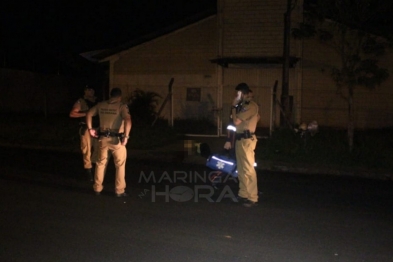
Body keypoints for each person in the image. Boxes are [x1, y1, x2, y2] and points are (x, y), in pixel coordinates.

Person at [86, 87, 132, 197]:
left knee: (100, 164)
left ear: (110, 96)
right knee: (120, 165)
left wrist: (90, 129)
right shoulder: (122, 106)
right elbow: (128, 120)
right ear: (120, 97)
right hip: (117, 141)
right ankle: (119, 190)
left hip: (103, 139)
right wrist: (126, 136)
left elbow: (89, 114)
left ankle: (97, 188)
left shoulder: (101, 105)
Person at [231, 83, 259, 207]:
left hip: (247, 140)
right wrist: (235, 107)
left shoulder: (251, 106)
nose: (237, 96)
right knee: (241, 169)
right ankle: (243, 194)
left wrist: (233, 106)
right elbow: (234, 118)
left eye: (239, 94)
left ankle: (252, 197)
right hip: (240, 139)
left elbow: (236, 121)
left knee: (248, 169)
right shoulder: (242, 106)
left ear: (245, 93)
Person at [69, 85, 99, 181]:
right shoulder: (81, 101)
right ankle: (89, 170)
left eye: (92, 89)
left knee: (98, 148)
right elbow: (72, 113)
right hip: (86, 128)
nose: (92, 91)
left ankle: (94, 167)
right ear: (85, 91)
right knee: (87, 150)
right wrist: (87, 113)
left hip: (97, 128)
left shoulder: (97, 101)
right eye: (89, 89)